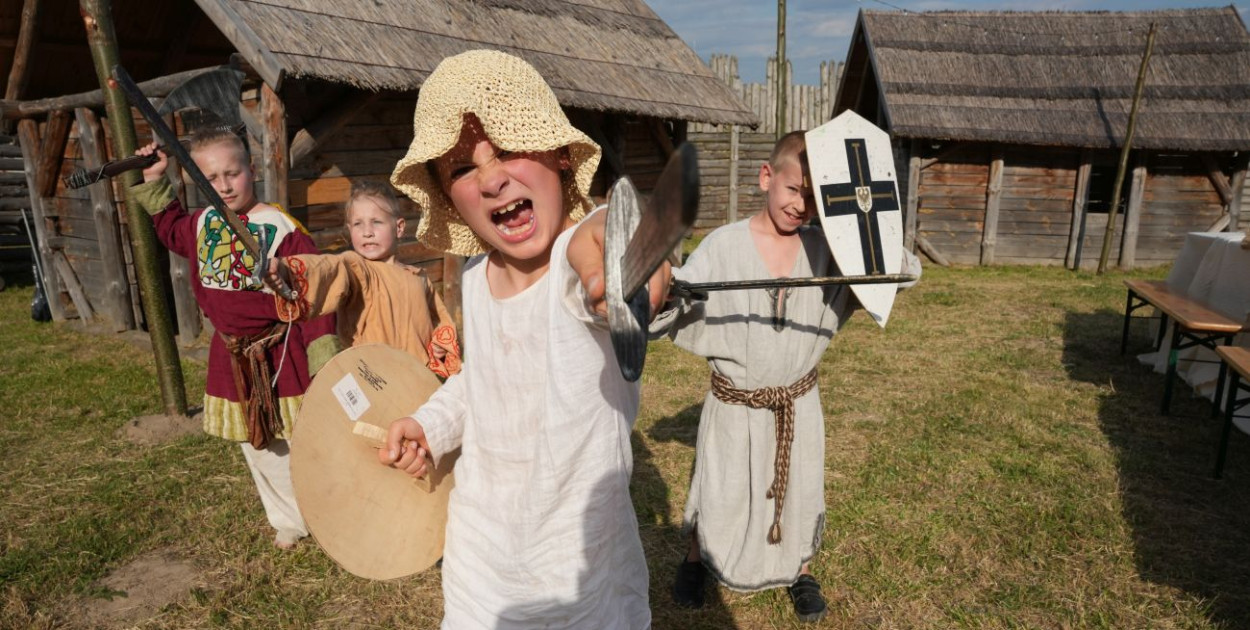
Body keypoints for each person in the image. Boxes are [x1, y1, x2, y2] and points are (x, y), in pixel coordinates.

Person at [377, 49, 668, 629]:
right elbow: (479, 381)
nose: (490, 177)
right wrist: (431, 426)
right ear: (446, 194)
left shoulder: (572, 264)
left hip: (575, 561)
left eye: (510, 147)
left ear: (560, 154)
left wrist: (619, 273)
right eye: (462, 169)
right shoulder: (474, 278)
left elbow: (606, 236)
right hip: (481, 554)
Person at [652, 131, 921, 623]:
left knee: (799, 485)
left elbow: (900, 272)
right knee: (719, 483)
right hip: (735, 403)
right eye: (795, 189)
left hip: (797, 402)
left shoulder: (829, 254)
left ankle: (799, 569)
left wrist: (864, 237)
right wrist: (662, 294)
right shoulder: (724, 247)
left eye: (817, 198)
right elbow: (673, 304)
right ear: (766, 177)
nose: (802, 205)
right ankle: (696, 559)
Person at [129, 128, 338, 550]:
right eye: (212, 177)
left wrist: (323, 354)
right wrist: (155, 179)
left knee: (304, 438)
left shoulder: (281, 227)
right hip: (231, 356)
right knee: (257, 443)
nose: (223, 185)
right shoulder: (204, 222)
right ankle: (290, 519)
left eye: (233, 173)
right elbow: (169, 229)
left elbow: (314, 292)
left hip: (283, 351)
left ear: (252, 170)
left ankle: (329, 510)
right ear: (196, 181)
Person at [270, 180, 461, 377]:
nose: (367, 232)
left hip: (418, 381)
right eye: (358, 224)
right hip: (374, 383)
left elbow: (440, 321)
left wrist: (440, 346)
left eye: (376, 222)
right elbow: (329, 267)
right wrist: (287, 269)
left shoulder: (419, 278)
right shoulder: (358, 270)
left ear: (399, 227)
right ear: (349, 229)